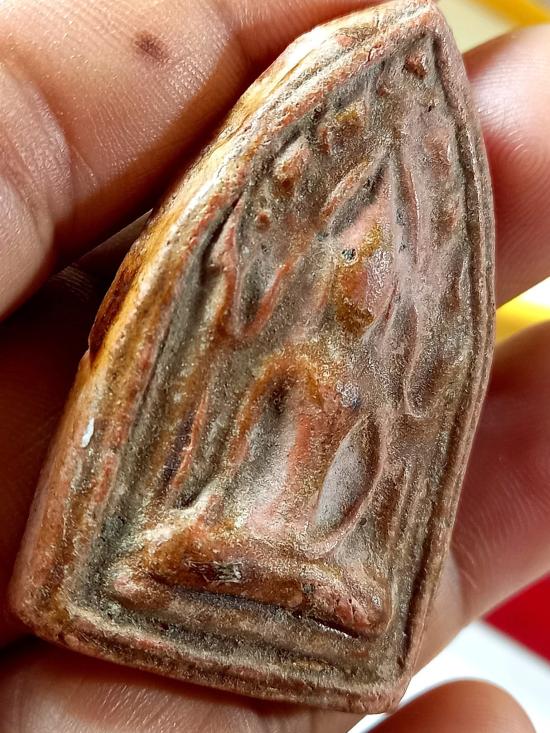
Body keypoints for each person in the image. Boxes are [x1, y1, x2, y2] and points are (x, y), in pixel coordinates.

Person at [0, 1, 548, 731]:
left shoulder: (372, 380)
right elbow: (218, 445)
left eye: (382, 279)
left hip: (316, 558)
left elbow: (370, 484)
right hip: (233, 525)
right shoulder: (284, 352)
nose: (366, 290)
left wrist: (330, 546)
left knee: (361, 594)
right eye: (354, 265)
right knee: (191, 542)